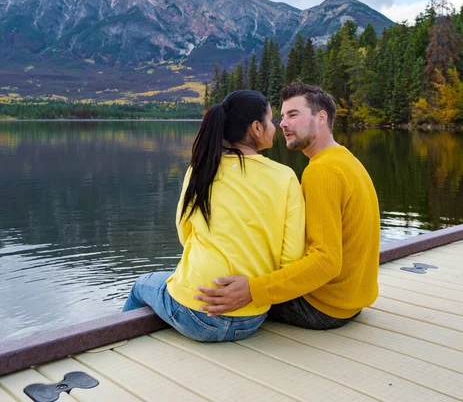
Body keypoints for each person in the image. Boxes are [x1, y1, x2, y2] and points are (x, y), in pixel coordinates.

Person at [123, 89, 305, 341]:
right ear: (256, 127)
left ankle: (119, 349)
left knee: (141, 285)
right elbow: (291, 258)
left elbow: (185, 234)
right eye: (271, 120)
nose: (275, 127)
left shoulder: (201, 169)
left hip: (194, 312)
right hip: (251, 317)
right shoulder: (285, 177)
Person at [195, 83, 381, 330]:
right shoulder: (346, 160)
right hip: (351, 300)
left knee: (206, 296)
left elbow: (326, 262)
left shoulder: (322, 171)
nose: (282, 123)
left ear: (321, 118)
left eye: (293, 115)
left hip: (321, 307)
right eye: (281, 117)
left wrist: (253, 291)